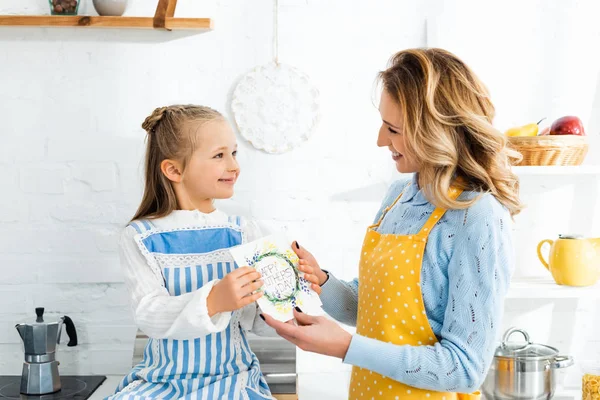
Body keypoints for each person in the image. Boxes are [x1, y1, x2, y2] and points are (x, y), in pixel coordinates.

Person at [262, 48, 522, 400]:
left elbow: (465, 369)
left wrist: (346, 348)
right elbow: (374, 311)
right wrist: (320, 281)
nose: (381, 140)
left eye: (393, 129)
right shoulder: (399, 195)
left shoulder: (477, 215)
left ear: (435, 131)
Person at [108, 105, 305, 399]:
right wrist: (213, 301)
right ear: (174, 169)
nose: (234, 166)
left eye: (234, 153)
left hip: (233, 379)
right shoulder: (140, 237)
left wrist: (287, 297)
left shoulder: (244, 232)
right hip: (162, 382)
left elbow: (256, 321)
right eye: (219, 155)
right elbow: (149, 314)